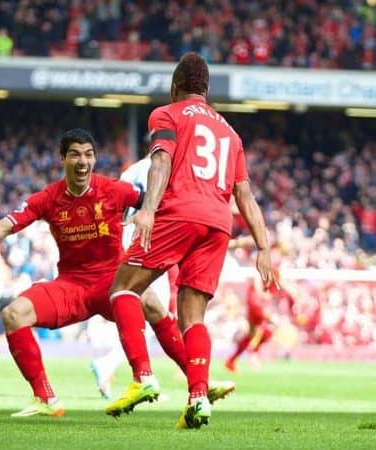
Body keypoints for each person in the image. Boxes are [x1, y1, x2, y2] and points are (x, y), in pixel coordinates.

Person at [0, 128, 205, 418]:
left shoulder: (113, 189)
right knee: (13, 314)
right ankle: (46, 398)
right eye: (75, 155)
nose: (82, 162)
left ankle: (196, 385)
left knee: (151, 302)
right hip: (72, 286)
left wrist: (178, 216)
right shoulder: (48, 198)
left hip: (112, 282)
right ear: (62, 159)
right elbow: (1, 227)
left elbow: (162, 204)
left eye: (88, 155)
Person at [104, 52, 276, 429]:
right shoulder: (230, 133)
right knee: (192, 316)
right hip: (218, 223)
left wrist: (148, 209)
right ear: (207, 90)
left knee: (123, 290)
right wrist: (263, 248)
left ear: (174, 86)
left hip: (180, 212)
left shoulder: (166, 114)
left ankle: (142, 377)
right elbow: (244, 195)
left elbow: (161, 162)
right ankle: (198, 398)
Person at [90, 156, 235, 402]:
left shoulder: (133, 170)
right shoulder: (168, 169)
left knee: (155, 312)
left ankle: (177, 379)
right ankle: (140, 376)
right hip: (146, 245)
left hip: (133, 244)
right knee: (156, 312)